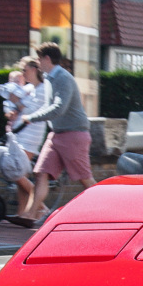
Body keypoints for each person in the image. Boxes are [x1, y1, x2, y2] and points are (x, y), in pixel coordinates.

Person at [10, 43, 96, 226]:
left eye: (39, 59)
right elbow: (49, 108)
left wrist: (30, 118)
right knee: (41, 173)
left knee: (85, 178)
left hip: (74, 134)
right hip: (56, 134)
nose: (38, 63)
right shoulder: (49, 79)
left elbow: (58, 108)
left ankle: (109, 210)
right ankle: (30, 216)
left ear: (47, 59)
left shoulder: (63, 78)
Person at [5, 58, 50, 215]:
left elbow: (32, 110)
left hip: (30, 136)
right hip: (21, 134)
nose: (23, 73)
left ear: (33, 70)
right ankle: (22, 213)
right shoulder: (31, 88)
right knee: (20, 175)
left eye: (25, 70)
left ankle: (42, 208)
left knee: (16, 172)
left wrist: (16, 102)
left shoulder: (43, 88)